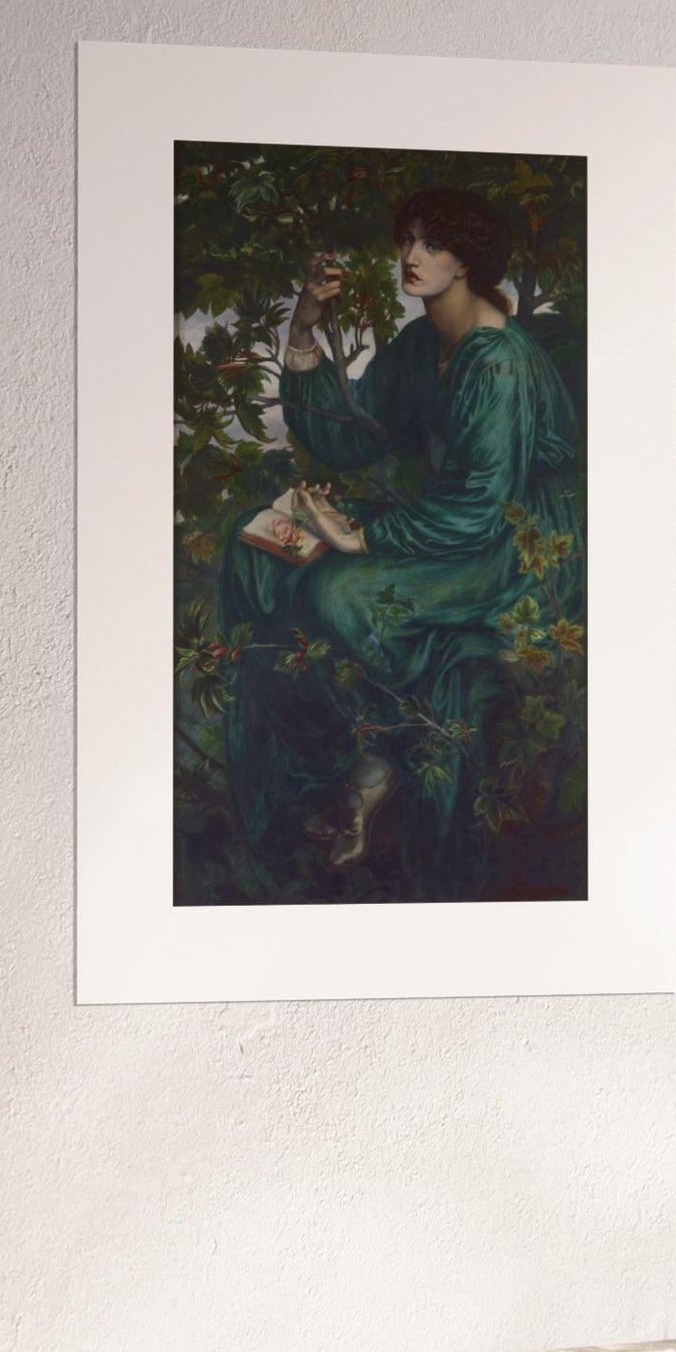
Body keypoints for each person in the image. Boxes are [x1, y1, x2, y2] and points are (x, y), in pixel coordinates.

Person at [216, 185, 583, 899]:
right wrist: (306, 325)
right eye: (407, 239)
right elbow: (346, 439)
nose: (411, 257)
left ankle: (379, 762)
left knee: (335, 588)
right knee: (256, 542)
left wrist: (362, 534)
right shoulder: (424, 343)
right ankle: (307, 756)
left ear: (467, 260)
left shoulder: (499, 362)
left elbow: (485, 505)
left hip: (510, 547)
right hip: (446, 520)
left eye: (433, 244)